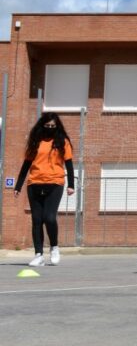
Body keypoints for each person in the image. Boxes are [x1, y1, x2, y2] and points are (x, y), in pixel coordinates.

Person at [14, 113, 75, 267]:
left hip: (55, 183)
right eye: (47, 126)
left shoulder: (62, 142)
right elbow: (26, 164)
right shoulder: (35, 142)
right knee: (36, 220)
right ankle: (38, 255)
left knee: (49, 217)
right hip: (34, 183)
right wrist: (18, 186)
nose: (50, 129)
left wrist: (71, 185)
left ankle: (54, 247)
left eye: (53, 127)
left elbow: (69, 164)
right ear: (42, 126)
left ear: (57, 127)